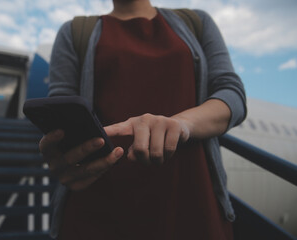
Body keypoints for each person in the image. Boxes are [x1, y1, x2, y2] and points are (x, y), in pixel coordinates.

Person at [40, 0, 246, 239]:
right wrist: (61, 152)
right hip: (97, 208)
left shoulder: (197, 23)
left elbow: (232, 95)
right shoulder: (74, 32)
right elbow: (63, 111)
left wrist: (182, 124)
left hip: (191, 199)